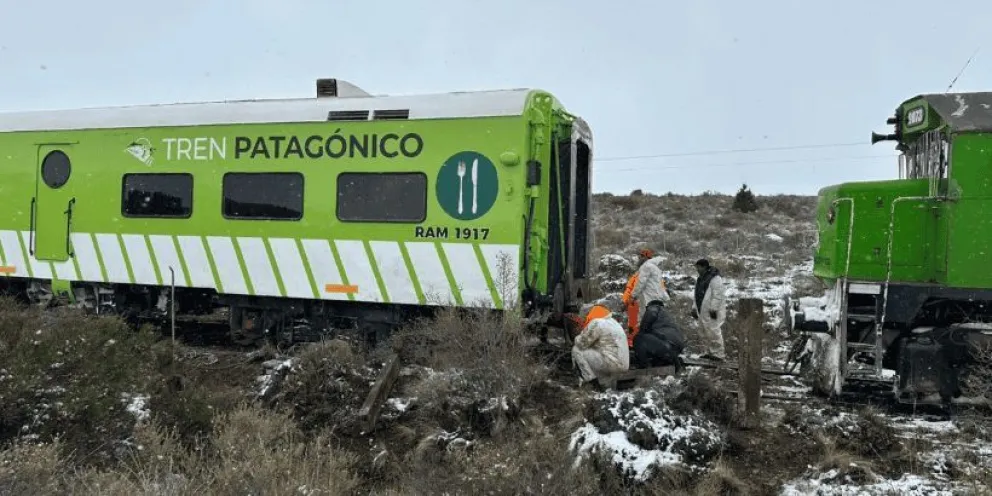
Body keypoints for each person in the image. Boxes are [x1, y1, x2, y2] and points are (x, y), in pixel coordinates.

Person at [571, 304, 630, 387]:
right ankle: (604, 386)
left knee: (576, 350)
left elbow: (582, 344)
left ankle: (589, 381)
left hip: (610, 363)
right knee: (600, 354)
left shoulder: (597, 323)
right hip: (623, 364)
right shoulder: (614, 323)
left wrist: (577, 336)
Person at [632, 299, 686, 370]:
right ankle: (670, 359)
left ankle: (643, 366)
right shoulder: (667, 316)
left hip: (667, 345)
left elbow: (646, 323)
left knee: (638, 338)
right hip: (676, 348)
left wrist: (642, 331)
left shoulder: (654, 307)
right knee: (651, 343)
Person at [692, 259, 727, 361]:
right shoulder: (700, 279)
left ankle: (718, 354)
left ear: (704, 267)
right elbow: (696, 294)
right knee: (703, 331)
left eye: (698, 267)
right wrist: (694, 308)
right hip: (701, 310)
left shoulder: (715, 279)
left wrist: (714, 308)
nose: (697, 269)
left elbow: (718, 295)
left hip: (711, 310)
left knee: (713, 331)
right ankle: (707, 352)